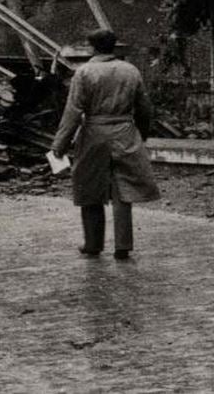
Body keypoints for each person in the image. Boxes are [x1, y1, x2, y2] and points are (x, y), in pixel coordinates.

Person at [50, 28, 161, 260]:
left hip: (94, 134)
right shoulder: (130, 70)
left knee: (90, 188)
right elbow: (144, 107)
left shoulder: (84, 72)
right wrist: (142, 133)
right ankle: (123, 245)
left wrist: (59, 145)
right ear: (114, 46)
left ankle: (93, 244)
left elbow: (73, 111)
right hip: (125, 131)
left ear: (93, 47)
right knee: (124, 189)